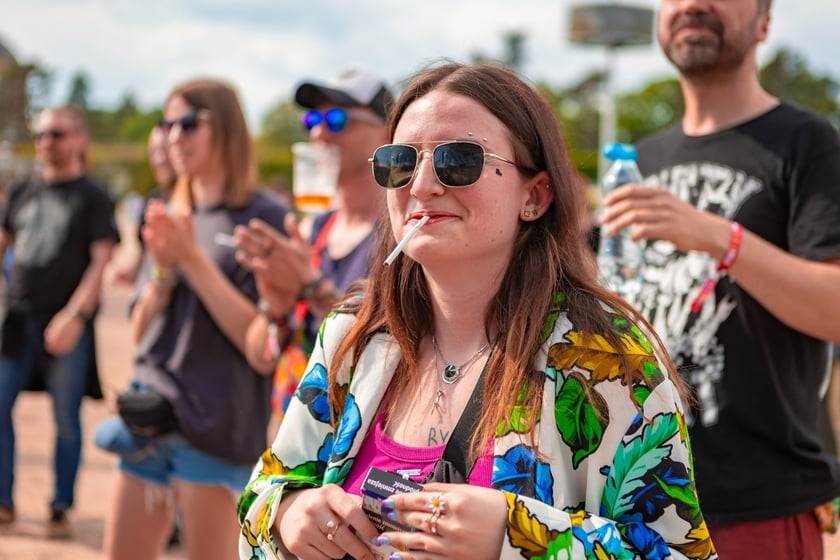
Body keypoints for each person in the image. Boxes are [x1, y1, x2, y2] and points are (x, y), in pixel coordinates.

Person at [237, 62, 717, 560]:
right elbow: (264, 490)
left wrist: (519, 537)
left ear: (535, 196)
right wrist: (289, 513)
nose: (421, 185)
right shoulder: (353, 335)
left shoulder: (604, 359)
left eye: (459, 160)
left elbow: (680, 553)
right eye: (400, 161)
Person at [599, 0, 840, 557]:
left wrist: (720, 238)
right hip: (635, 505)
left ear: (764, 22)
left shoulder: (808, 141)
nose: (693, 5)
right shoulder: (639, 160)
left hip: (758, 508)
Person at [100, 78, 288, 560]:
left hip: (214, 428)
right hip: (149, 420)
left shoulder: (264, 217)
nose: (173, 137)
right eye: (167, 125)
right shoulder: (172, 210)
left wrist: (190, 258)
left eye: (187, 123)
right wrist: (164, 272)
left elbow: (261, 346)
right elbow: (140, 332)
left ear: (225, 127)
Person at [237, 68, 390, 434]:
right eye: (312, 121)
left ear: (388, 132)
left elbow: (385, 353)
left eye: (338, 120)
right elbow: (260, 356)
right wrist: (274, 309)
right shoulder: (311, 231)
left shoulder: (400, 237)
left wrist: (310, 285)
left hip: (359, 442)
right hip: (296, 445)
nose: (320, 134)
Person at [0, 104, 119, 537]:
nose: (47, 142)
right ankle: (3, 501)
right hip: (17, 321)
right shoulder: (23, 188)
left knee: (66, 419)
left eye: (57, 134)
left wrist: (75, 315)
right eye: (42, 135)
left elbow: (101, 262)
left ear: (79, 139)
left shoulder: (92, 196)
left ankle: (61, 506)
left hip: (68, 324)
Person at [106, 125, 178, 285]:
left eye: (165, 150)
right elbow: (145, 261)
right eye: (153, 152)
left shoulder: (194, 203)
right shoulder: (152, 200)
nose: (159, 159)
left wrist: (158, 276)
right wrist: (127, 274)